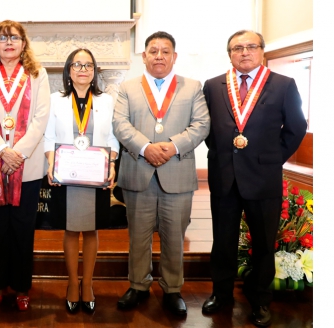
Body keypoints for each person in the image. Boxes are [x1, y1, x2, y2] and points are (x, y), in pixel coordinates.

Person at [202, 30, 306, 327]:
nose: (244, 52)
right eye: (237, 48)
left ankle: (260, 300)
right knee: (222, 242)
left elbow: (296, 127)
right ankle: (221, 295)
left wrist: (272, 159)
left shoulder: (283, 84)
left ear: (261, 51)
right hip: (224, 177)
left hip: (263, 178)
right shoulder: (213, 85)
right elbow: (207, 130)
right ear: (229, 53)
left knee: (263, 244)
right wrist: (226, 155)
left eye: (250, 47)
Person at [112, 31, 210, 315]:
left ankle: (172, 288)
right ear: (144, 57)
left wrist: (171, 146)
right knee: (138, 236)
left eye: (165, 51)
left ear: (174, 57)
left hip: (176, 172)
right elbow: (120, 124)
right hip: (138, 172)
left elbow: (201, 124)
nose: (159, 56)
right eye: (153, 51)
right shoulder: (127, 88)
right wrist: (145, 148)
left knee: (174, 236)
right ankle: (138, 285)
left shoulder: (192, 87)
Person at [0, 20, 50, 312]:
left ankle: (22, 287)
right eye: (2, 38)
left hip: (26, 166)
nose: (9, 42)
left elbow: (41, 118)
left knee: (23, 228)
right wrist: (2, 150)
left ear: (23, 43)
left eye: (14, 37)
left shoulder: (37, 75)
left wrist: (18, 153)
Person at [44, 48, 118, 313]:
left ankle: (87, 283)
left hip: (95, 171)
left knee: (91, 228)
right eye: (77, 64)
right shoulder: (55, 100)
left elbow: (112, 137)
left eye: (88, 65)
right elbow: (48, 136)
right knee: (70, 228)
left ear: (94, 70)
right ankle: (72, 283)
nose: (83, 69)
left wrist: (111, 164)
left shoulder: (107, 100)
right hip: (66, 172)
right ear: (69, 70)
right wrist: (51, 164)